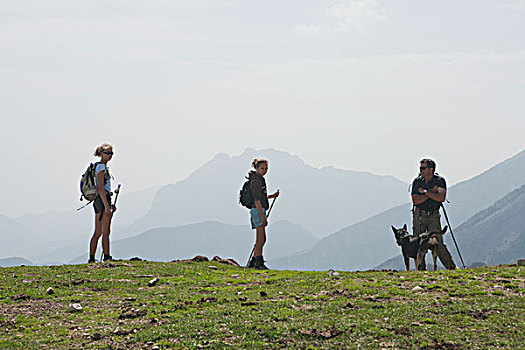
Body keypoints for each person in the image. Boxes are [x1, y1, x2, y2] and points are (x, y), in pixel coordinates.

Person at [411, 158, 456, 270]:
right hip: (420, 215)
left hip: (432, 215)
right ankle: (421, 268)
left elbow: (441, 197)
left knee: (438, 242)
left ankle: (451, 267)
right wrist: (432, 192)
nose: (420, 170)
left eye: (423, 168)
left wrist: (425, 193)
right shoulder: (418, 181)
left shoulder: (439, 181)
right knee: (419, 242)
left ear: (430, 169)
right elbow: (415, 200)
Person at [247, 158, 279, 269]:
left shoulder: (259, 179)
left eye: (266, 168)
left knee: (261, 238)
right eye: (262, 168)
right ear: (256, 168)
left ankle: (254, 261)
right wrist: (262, 216)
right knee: (261, 238)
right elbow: (256, 200)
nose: (264, 171)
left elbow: (261, 197)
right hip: (258, 210)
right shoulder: (256, 181)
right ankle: (258, 262)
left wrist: (272, 196)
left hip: (258, 210)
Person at [88, 143, 116, 263]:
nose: (110, 156)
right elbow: (100, 188)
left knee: (99, 231)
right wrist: (107, 207)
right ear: (101, 154)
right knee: (105, 231)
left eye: (111, 153)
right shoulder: (101, 168)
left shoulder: (101, 167)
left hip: (101, 200)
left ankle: (92, 258)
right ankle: (106, 256)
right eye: (107, 153)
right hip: (102, 199)